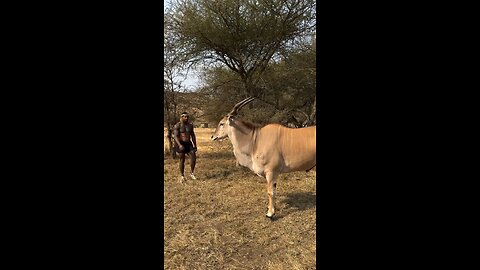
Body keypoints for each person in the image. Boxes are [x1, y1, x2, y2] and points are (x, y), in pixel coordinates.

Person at [173, 112, 197, 182]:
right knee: (182, 159)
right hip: (180, 143)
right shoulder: (177, 125)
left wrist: (195, 145)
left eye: (187, 117)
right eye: (185, 117)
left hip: (188, 143)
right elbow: (176, 136)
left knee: (193, 157)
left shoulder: (190, 125)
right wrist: (180, 145)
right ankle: (182, 175)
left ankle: (192, 173)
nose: (186, 118)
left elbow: (193, 135)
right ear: (181, 117)